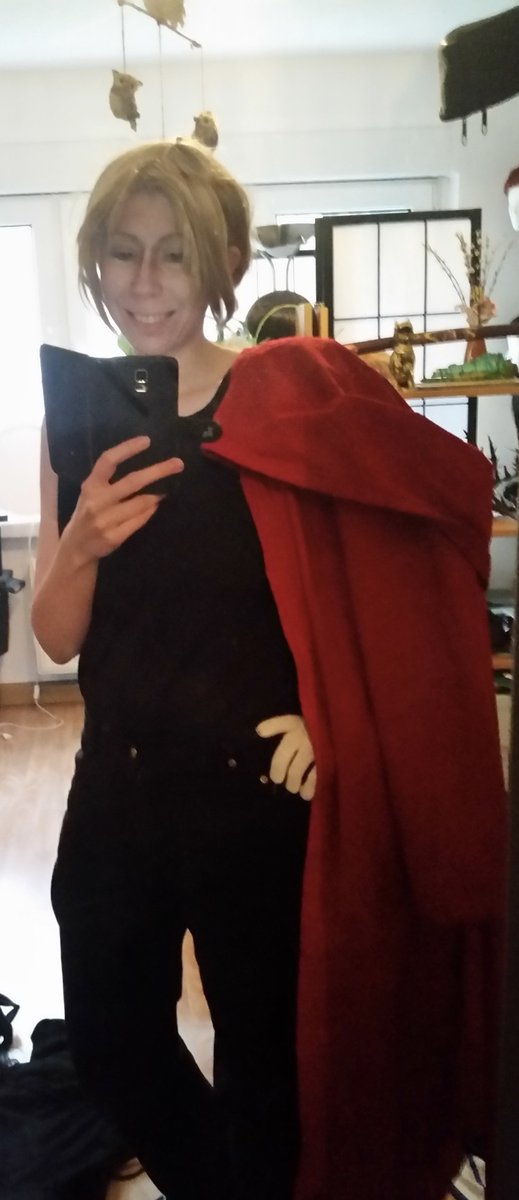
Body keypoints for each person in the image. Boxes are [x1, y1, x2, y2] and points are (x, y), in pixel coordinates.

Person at [32, 139, 507, 1200]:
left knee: (267, 1067)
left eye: (174, 253)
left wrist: (334, 719)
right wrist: (84, 541)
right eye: (122, 252)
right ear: (94, 260)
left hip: (254, 793)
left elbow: (394, 565)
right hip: (116, 788)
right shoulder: (78, 414)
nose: (145, 281)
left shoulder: (288, 400)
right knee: (110, 1043)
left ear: (221, 267)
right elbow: (57, 638)